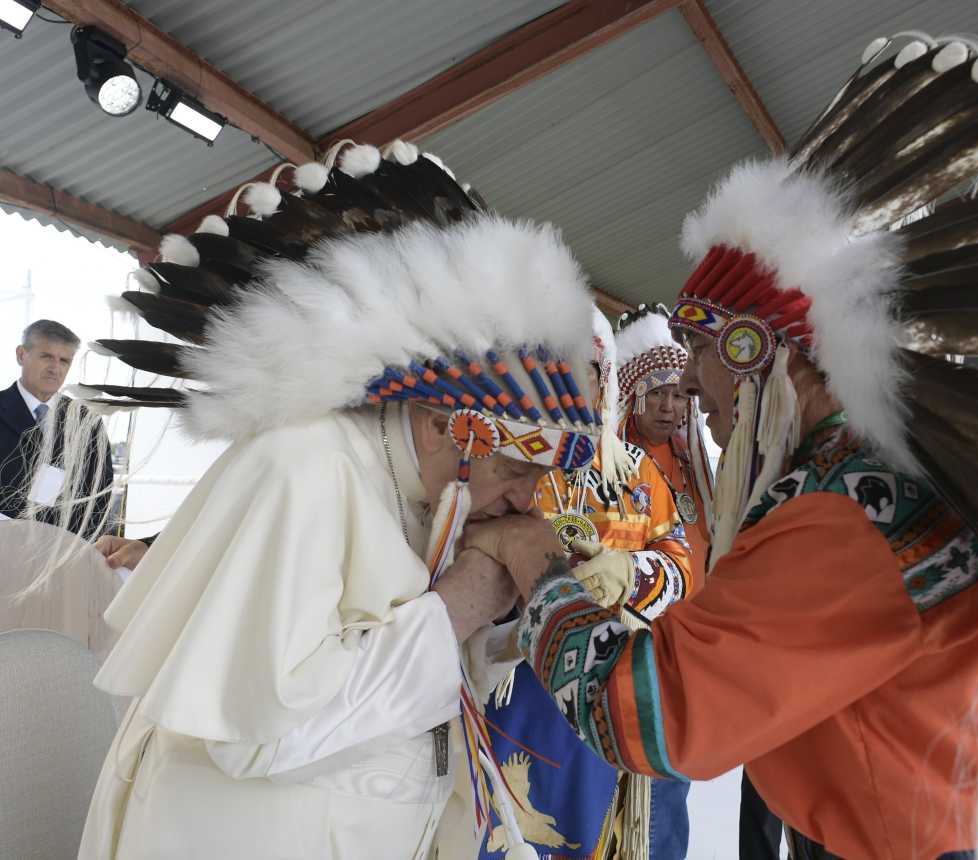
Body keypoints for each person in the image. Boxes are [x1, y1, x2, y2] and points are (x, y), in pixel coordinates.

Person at [458, 32, 978, 860]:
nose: (698, 388)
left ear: (760, 354)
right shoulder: (875, 469)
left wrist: (539, 567)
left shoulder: (847, 507)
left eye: (703, 352)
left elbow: (656, 714)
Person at [53, 141, 604, 859]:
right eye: (513, 469)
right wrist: (462, 599)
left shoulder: (427, 486)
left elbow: (408, 666)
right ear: (443, 425)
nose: (527, 499)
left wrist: (503, 609)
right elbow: (256, 735)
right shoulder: (302, 466)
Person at [480, 308, 694, 859]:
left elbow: (681, 566)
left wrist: (631, 574)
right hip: (516, 683)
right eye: (561, 369)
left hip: (609, 682)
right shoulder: (505, 460)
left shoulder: (641, 475)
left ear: (608, 382)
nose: (576, 385)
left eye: (591, 371)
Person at [613, 304, 713, 580]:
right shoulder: (615, 465)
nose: (668, 407)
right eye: (657, 393)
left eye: (679, 396)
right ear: (634, 398)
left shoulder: (692, 465)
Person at [1, 319, 112, 533]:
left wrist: (80, 548)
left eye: (64, 361)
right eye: (47, 357)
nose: (55, 368)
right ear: (21, 355)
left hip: (63, 552)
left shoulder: (87, 422)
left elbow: (99, 497)